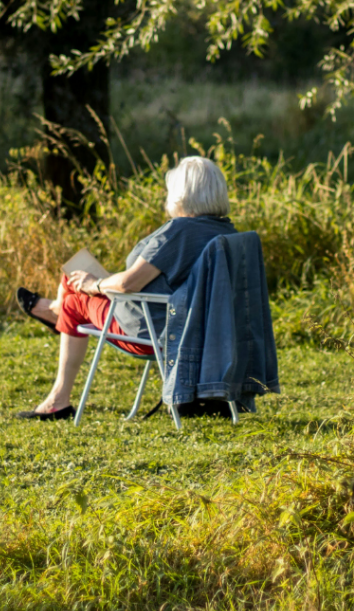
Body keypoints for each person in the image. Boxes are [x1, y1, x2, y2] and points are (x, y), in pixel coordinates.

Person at [14, 156, 237, 419]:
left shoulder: (179, 232)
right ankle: (55, 311)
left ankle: (57, 400)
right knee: (72, 279)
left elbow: (129, 282)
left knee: (74, 301)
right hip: (195, 330)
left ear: (181, 193)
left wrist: (95, 284)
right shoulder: (227, 232)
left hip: (153, 332)